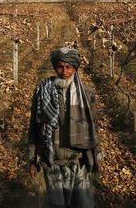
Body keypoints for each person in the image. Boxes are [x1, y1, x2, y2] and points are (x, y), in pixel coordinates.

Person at [27, 47, 102, 208]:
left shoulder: (86, 93)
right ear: (55, 67)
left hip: (77, 159)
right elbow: (34, 125)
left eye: (69, 67)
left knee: (82, 203)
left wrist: (97, 156)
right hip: (52, 159)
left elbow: (92, 126)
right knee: (57, 204)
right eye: (60, 66)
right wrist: (32, 159)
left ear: (75, 68)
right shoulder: (42, 90)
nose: (64, 71)